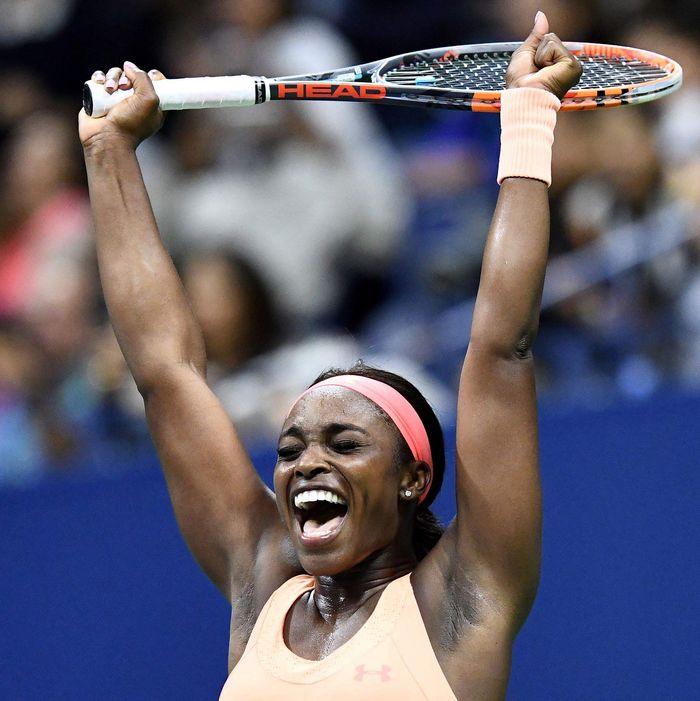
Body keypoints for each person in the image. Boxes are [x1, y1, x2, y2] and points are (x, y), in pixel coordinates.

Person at [79, 12, 581, 701]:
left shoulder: (462, 599)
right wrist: (109, 150)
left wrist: (527, 120)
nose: (307, 463)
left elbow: (501, 349)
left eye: (344, 442)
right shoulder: (265, 582)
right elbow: (166, 374)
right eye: (290, 449)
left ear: (413, 478)